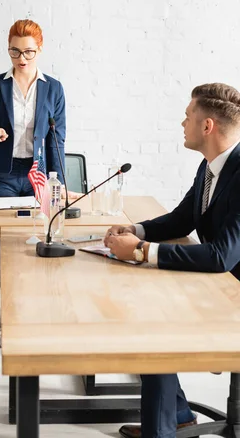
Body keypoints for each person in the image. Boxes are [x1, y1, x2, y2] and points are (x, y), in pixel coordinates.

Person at [105, 82, 240, 438]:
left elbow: (221, 255)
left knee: (153, 324)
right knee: (142, 304)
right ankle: (176, 414)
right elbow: (183, 218)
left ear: (207, 126)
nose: (183, 123)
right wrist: (135, 229)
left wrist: (141, 251)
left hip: (232, 291)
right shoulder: (211, 166)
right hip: (221, 284)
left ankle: (160, 431)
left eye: (187, 116)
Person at [0, 19, 67, 293]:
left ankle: (34, 302)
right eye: (14, 51)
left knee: (40, 238)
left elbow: (56, 139)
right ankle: (8, 309)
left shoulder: (53, 88)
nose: (21, 58)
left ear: (40, 50)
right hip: (2, 175)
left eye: (28, 51)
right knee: (6, 243)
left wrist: (59, 182)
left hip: (37, 176)